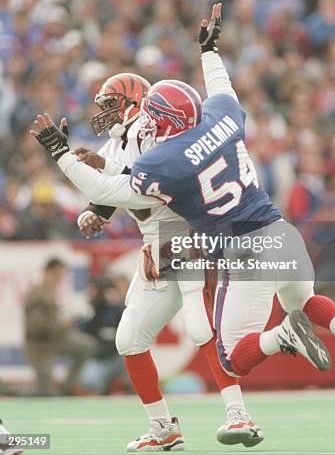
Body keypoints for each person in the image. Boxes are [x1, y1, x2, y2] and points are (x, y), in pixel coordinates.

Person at [31, 5, 335, 386]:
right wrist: (209, 51)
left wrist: (60, 154)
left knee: (233, 357)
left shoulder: (166, 162)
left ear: (164, 120)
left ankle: (282, 336)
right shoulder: (222, 117)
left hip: (244, 251)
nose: (147, 122)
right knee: (302, 298)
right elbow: (222, 88)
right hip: (280, 232)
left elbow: (105, 189)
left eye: (153, 116)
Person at [72, 70, 263, 448]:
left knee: (198, 326)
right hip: (155, 248)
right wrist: (92, 213)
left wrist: (84, 166)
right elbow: (108, 197)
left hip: (185, 238)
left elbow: (145, 190)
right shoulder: (115, 145)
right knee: (129, 339)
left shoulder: (159, 134)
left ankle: (238, 413)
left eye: (111, 105)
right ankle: (163, 427)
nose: (105, 114)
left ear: (135, 103)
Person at [23, 258, 97, 396]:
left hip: (56, 340)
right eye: (58, 275)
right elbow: (36, 328)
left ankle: (68, 386)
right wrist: (64, 323)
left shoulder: (48, 291)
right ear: (49, 272)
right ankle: (61, 389)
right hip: (41, 347)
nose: (60, 279)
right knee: (44, 392)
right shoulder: (38, 293)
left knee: (86, 346)